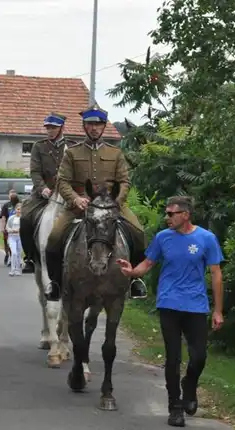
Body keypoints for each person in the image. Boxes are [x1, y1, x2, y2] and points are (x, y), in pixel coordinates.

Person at [116, 196, 224, 427]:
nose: (167, 218)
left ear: (185, 214)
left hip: (196, 305)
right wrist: (132, 272)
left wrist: (218, 310)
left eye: (171, 214)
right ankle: (175, 407)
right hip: (169, 304)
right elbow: (148, 263)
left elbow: (216, 274)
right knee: (173, 358)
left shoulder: (206, 238)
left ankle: (190, 386)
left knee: (199, 357)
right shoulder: (163, 238)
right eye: (166, 213)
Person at [44, 104, 148, 301]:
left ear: (103, 127)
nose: (94, 128)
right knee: (54, 238)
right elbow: (62, 181)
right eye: (90, 124)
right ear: (84, 126)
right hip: (79, 205)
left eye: (98, 124)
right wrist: (75, 198)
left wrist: (116, 202)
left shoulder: (115, 153)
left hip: (111, 204)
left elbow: (125, 181)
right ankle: (56, 283)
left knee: (139, 232)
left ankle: (135, 281)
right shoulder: (72, 153)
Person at [20, 112, 75, 273]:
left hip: (68, 194)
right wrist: (42, 188)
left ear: (62, 128)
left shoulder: (72, 146)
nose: (50, 130)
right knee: (25, 218)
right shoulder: (39, 146)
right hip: (44, 194)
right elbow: (35, 171)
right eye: (48, 127)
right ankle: (30, 257)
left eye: (53, 127)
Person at [0, 189, 20, 266]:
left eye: (14, 193)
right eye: (11, 194)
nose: (12, 195)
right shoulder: (6, 205)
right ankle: (8, 255)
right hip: (9, 227)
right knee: (8, 243)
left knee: (17, 244)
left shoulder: (19, 205)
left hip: (18, 227)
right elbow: (3, 217)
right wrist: (3, 227)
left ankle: (15, 259)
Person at [6, 203, 23, 276]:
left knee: (19, 253)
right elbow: (7, 227)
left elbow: (25, 228)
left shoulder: (23, 219)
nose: (19, 211)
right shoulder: (11, 218)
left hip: (20, 237)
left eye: (20, 209)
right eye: (18, 209)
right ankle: (12, 270)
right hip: (12, 237)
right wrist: (11, 230)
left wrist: (19, 230)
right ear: (15, 209)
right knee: (14, 253)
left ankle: (17, 269)